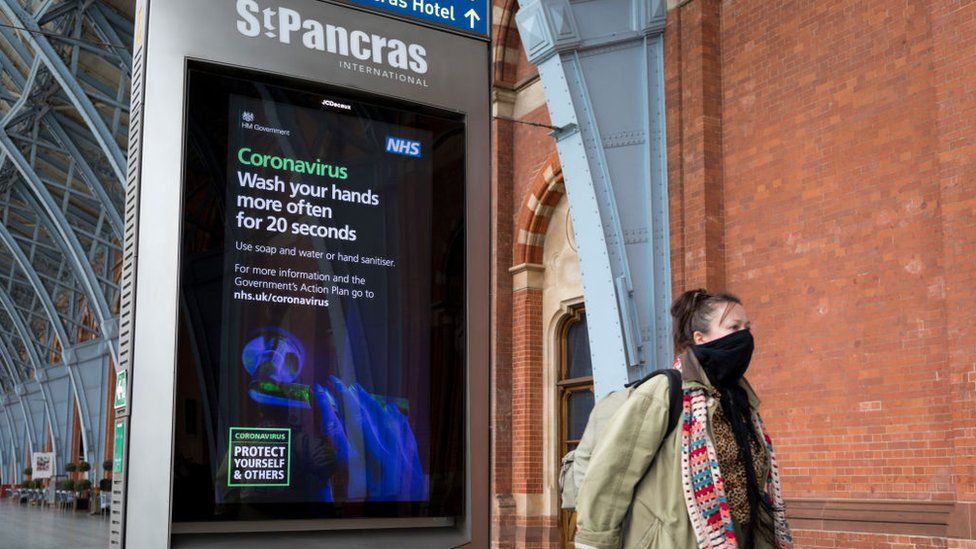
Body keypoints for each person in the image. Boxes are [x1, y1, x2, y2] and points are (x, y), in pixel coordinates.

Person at [573, 289, 794, 549]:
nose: (744, 336)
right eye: (734, 327)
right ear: (700, 338)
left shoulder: (740, 401)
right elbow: (612, 473)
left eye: (747, 327)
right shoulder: (665, 391)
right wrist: (595, 542)